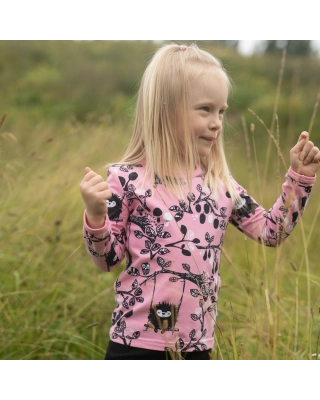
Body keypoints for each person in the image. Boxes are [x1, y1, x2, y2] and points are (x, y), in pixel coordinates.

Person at [80, 43, 320, 360]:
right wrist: (95, 216)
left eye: (221, 111)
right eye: (205, 109)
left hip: (196, 348)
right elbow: (107, 260)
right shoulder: (127, 180)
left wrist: (299, 179)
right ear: (166, 111)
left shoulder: (219, 185)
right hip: (135, 345)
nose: (217, 122)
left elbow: (270, 232)